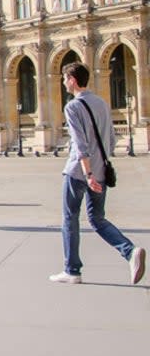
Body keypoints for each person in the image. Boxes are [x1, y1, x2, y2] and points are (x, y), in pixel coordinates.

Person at [51, 62, 145, 285]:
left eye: (65, 79)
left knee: (70, 218)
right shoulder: (102, 103)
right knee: (97, 219)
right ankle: (130, 252)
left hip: (78, 172)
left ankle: (72, 270)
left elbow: (80, 143)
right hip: (101, 169)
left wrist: (88, 173)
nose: (63, 83)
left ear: (72, 80)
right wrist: (97, 169)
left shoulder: (73, 107)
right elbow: (111, 139)